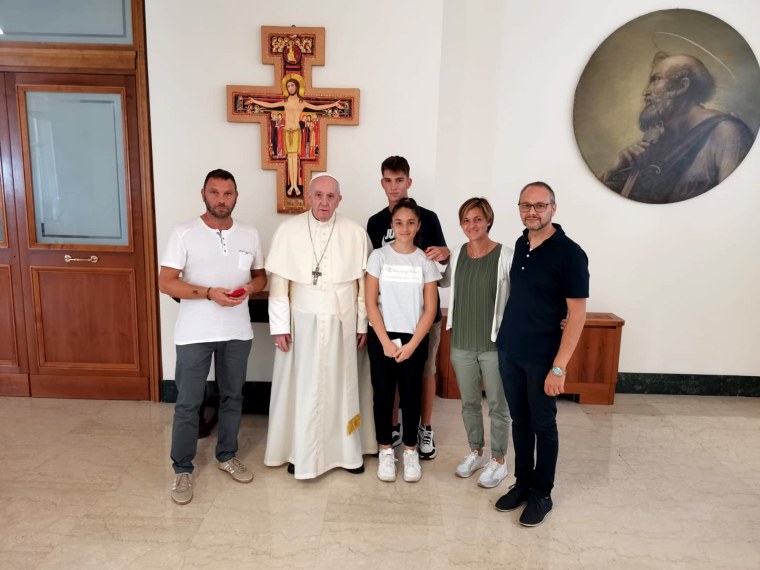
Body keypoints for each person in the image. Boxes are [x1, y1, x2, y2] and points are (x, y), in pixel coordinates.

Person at [158, 168, 267, 505]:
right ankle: (182, 469)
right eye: (215, 193)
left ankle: (226, 456)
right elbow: (166, 282)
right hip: (194, 333)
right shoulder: (184, 233)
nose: (222, 199)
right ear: (203, 194)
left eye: (228, 193)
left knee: (233, 397)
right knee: (189, 402)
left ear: (236, 196)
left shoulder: (249, 233)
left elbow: (260, 277)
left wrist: (250, 287)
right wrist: (208, 293)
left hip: (237, 331)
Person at [264, 173, 374, 479]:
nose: (325, 202)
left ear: (340, 199)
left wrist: (362, 325)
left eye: (331, 196)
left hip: (343, 320)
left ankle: (348, 452)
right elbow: (279, 284)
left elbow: (363, 286)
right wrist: (279, 326)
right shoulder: (288, 230)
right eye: (319, 195)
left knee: (343, 385)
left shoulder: (354, 232)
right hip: (302, 320)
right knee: (304, 386)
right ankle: (300, 452)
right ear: (308, 197)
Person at [495, 182, 589, 527]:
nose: (531, 212)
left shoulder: (570, 253)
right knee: (519, 422)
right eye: (525, 205)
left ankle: (542, 493)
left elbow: (577, 314)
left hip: (542, 358)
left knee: (543, 425)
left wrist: (559, 368)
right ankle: (523, 483)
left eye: (539, 205)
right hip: (510, 349)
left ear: (553, 208)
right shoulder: (521, 244)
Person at [366, 156, 449, 461]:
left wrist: (447, 253)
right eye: (388, 180)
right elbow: (370, 283)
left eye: (399, 180)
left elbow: (441, 261)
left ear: (409, 182)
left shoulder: (428, 217)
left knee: (422, 373)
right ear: (382, 183)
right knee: (389, 378)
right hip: (387, 320)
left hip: (421, 317)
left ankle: (423, 428)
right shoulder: (375, 223)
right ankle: (392, 429)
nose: (394, 186)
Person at [602, 52, 755, 204]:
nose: (645, 92)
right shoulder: (656, 139)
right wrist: (614, 171)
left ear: (682, 86)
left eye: (656, 79)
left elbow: (736, 204)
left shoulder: (727, 134)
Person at [439, 197, 512, 489]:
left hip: (494, 343)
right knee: (469, 402)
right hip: (462, 341)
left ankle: (499, 460)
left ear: (488, 220)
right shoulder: (457, 254)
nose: (472, 225)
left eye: (478, 219)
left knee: (497, 405)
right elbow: (442, 281)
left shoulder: (505, 255)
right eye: (466, 220)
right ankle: (476, 452)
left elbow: (521, 294)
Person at [252, 77, 346, 197]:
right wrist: (254, 101)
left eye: (292, 85)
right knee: (289, 159)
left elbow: (317, 108)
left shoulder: (302, 103)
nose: (290, 88)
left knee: (295, 159)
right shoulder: (285, 101)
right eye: (288, 86)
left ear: (296, 86)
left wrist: (333, 104)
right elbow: (270, 105)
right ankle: (292, 185)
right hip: (286, 132)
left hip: (296, 131)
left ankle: (295, 185)